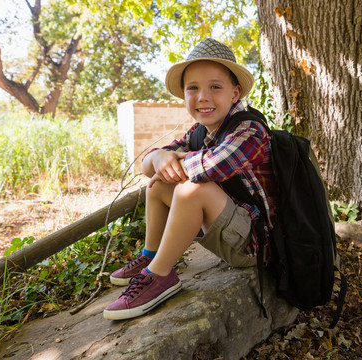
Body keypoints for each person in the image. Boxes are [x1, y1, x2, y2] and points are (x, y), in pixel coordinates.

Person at [103, 38, 277, 321]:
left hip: (256, 245)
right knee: (160, 184)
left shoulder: (250, 129)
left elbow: (215, 167)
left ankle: (159, 277)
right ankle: (152, 253)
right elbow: (149, 167)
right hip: (228, 231)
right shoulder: (199, 133)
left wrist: (174, 159)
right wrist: (160, 157)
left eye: (215, 87)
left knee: (191, 189)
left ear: (235, 93)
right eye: (192, 88)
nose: (202, 97)